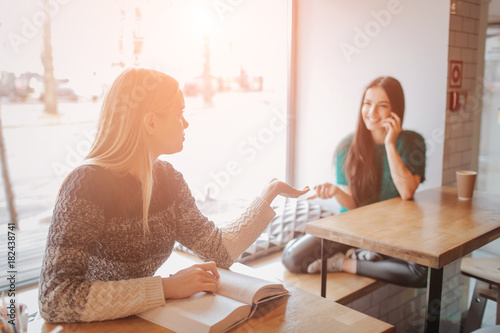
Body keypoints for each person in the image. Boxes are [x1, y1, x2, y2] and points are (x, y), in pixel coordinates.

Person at [39, 68, 309, 323]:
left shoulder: (168, 179)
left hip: (140, 320)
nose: (186, 123)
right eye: (180, 113)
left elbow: (219, 251)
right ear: (151, 122)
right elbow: (54, 297)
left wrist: (268, 193)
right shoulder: (86, 185)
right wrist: (166, 287)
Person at [281, 76, 428, 288]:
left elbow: (407, 192)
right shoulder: (347, 146)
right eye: (367, 104)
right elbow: (353, 206)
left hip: (392, 232)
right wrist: (336, 192)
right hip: (353, 229)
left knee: (420, 273)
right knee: (292, 258)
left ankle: (346, 263)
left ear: (395, 110)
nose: (372, 112)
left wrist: (389, 143)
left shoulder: (412, 142)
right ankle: (360, 254)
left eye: (382, 106)